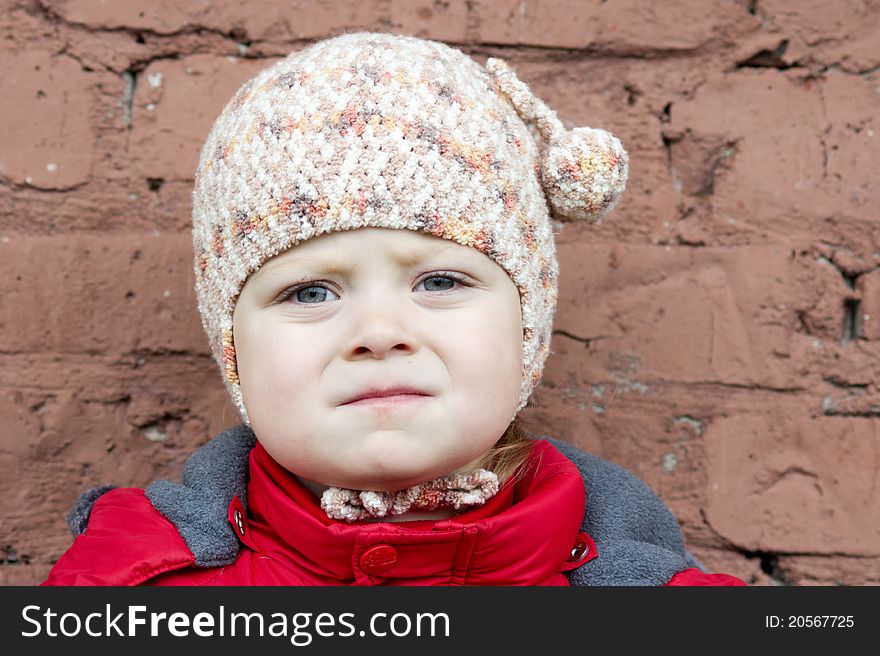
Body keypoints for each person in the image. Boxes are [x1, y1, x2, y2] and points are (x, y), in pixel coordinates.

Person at [43, 31, 744, 586]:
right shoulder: (126, 589)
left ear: (528, 329)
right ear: (232, 349)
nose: (379, 334)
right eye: (310, 292)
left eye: (439, 282)